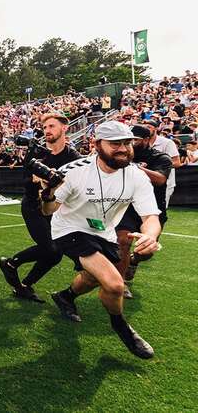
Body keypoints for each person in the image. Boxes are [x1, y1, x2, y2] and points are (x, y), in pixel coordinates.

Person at [45, 121, 160, 359]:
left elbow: (150, 216)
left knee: (93, 277)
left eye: (127, 143)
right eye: (115, 144)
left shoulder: (137, 176)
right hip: (70, 228)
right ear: (96, 145)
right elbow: (48, 210)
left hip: (104, 232)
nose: (123, 149)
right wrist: (47, 193)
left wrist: (150, 235)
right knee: (114, 283)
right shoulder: (73, 171)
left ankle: (65, 296)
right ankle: (122, 327)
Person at [0, 113, 81, 302]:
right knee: (51, 249)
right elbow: (25, 182)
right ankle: (11, 263)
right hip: (33, 206)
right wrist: (37, 180)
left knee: (55, 254)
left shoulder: (73, 156)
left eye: (52, 126)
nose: (47, 131)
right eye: (45, 128)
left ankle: (24, 284)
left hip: (56, 209)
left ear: (64, 128)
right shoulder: (36, 154)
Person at [115, 126, 171, 299]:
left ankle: (133, 261)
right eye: (130, 140)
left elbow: (160, 179)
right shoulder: (124, 155)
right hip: (129, 207)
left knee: (146, 252)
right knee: (123, 241)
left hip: (153, 208)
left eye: (136, 140)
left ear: (147, 140)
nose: (131, 143)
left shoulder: (160, 157)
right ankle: (121, 282)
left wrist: (134, 168)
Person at [144, 121, 181, 207]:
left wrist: (158, 166)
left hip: (165, 182)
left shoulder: (167, 142)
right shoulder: (142, 142)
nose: (146, 129)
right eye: (144, 127)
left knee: (160, 211)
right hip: (146, 181)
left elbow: (177, 162)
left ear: (156, 128)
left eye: (149, 127)